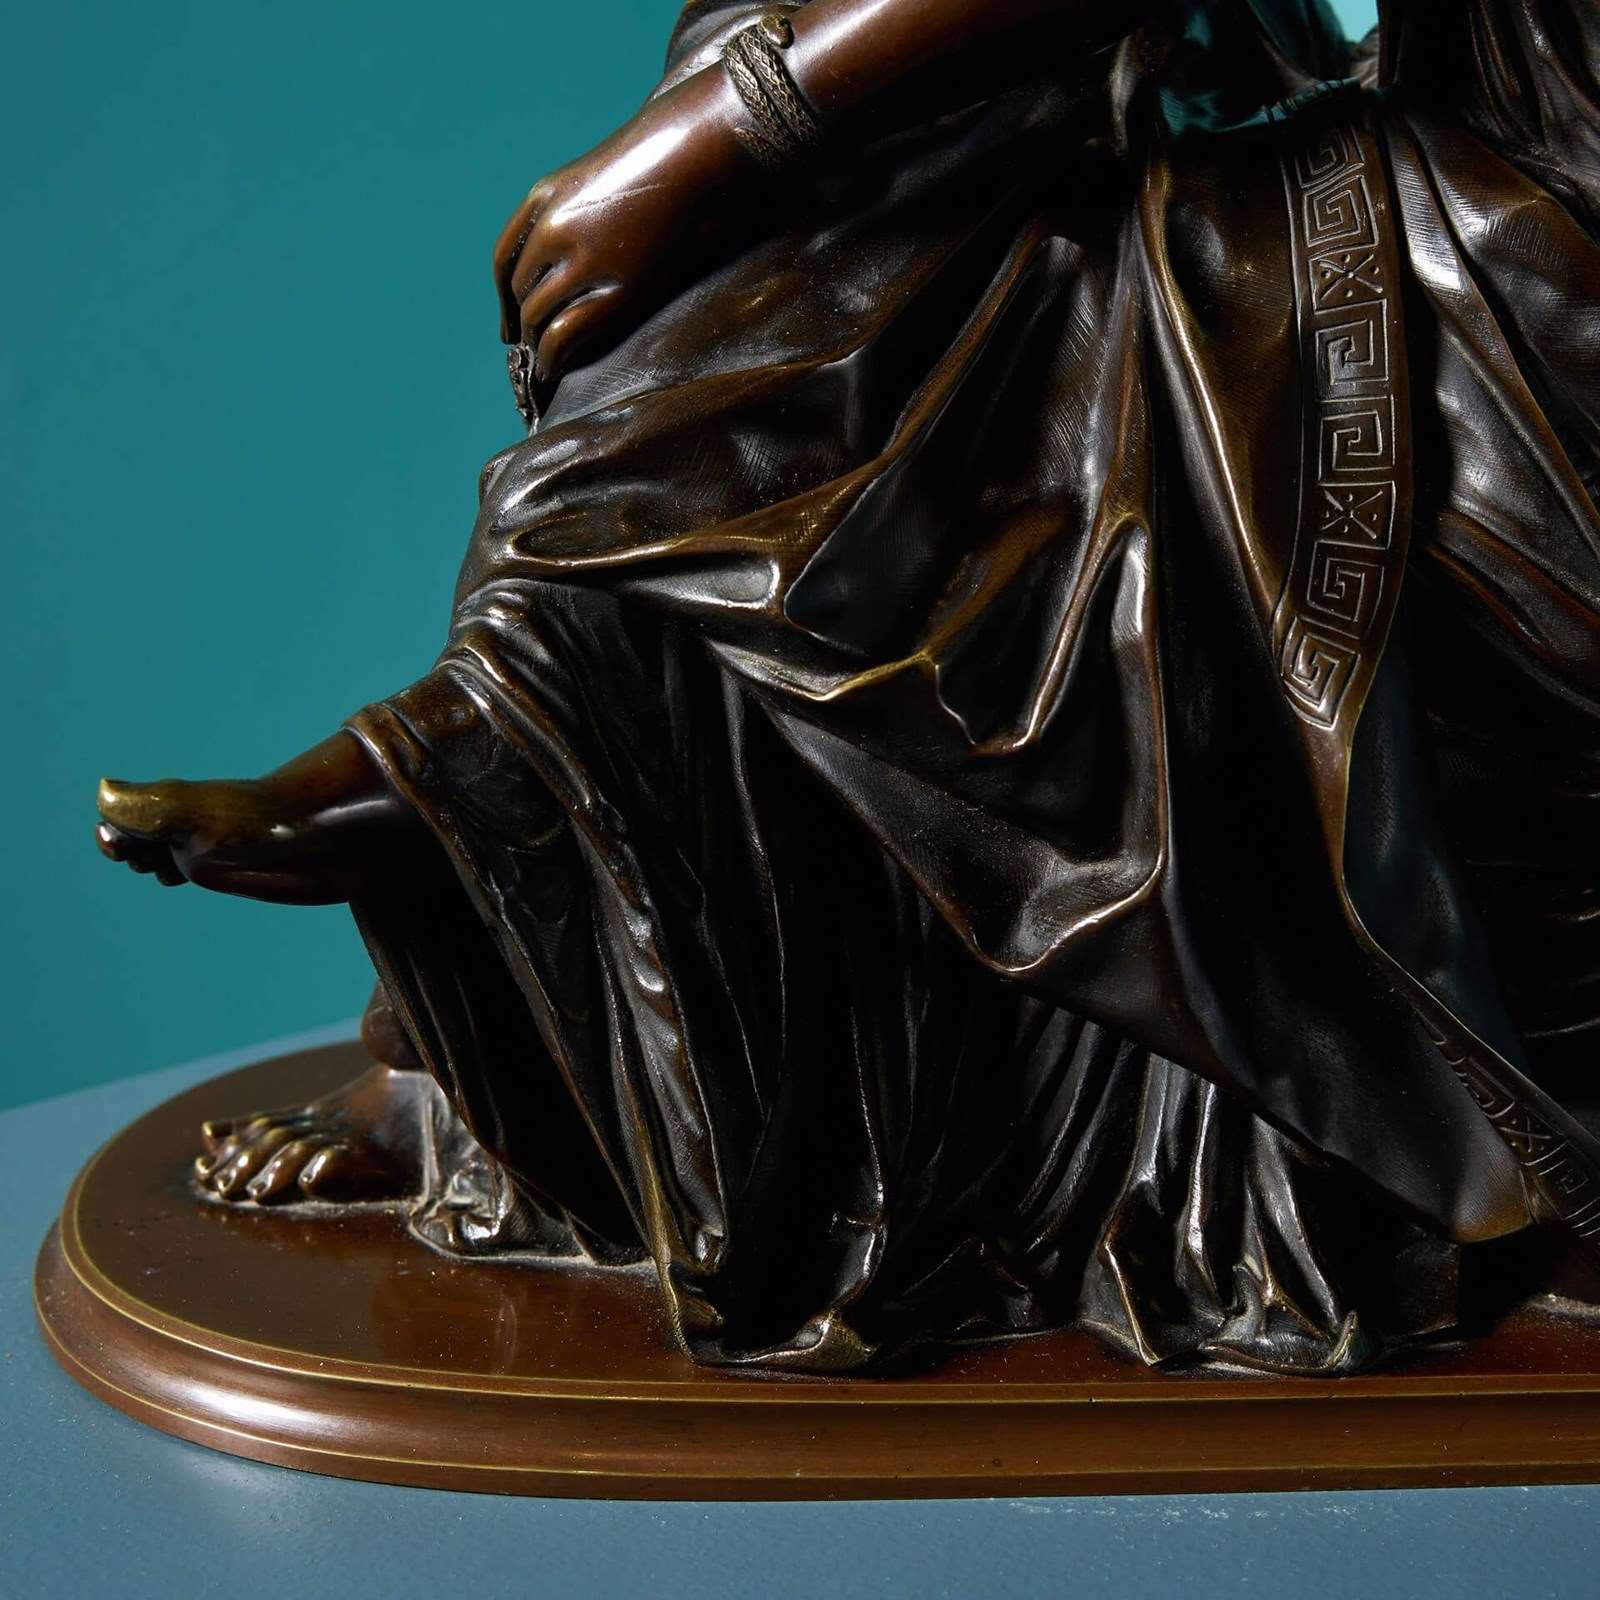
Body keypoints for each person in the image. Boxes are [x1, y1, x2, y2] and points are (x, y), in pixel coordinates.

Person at [93, 0, 1600, 1375]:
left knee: (833, 198)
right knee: (857, 155)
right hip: (1379, 132)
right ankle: (493, 909)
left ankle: (489, 774)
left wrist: (729, 128)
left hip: (1527, 216)